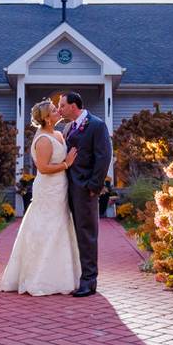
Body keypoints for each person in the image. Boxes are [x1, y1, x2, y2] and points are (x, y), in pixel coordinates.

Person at [0, 99, 80, 295]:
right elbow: (43, 169)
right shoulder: (43, 140)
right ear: (46, 118)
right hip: (48, 189)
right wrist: (67, 164)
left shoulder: (59, 133)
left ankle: (63, 274)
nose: (58, 111)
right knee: (47, 226)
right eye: (54, 110)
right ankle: (41, 278)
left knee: (61, 225)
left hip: (61, 187)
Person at [58, 91, 112, 297]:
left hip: (85, 190)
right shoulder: (68, 127)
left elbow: (103, 157)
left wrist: (93, 187)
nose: (60, 110)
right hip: (65, 188)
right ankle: (73, 276)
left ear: (74, 106)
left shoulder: (96, 125)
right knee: (71, 233)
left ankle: (89, 281)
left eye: (62, 105)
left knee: (87, 234)